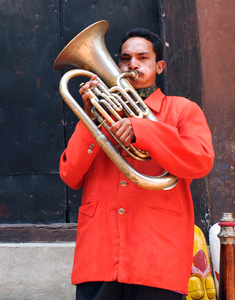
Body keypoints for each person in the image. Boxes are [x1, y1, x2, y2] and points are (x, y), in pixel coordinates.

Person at [59, 28, 214, 300]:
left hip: (157, 253)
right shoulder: (102, 112)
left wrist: (142, 130)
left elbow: (200, 161)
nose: (133, 64)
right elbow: (70, 174)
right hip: (100, 251)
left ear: (159, 66)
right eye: (125, 58)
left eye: (143, 58)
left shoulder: (182, 109)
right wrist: (89, 118)